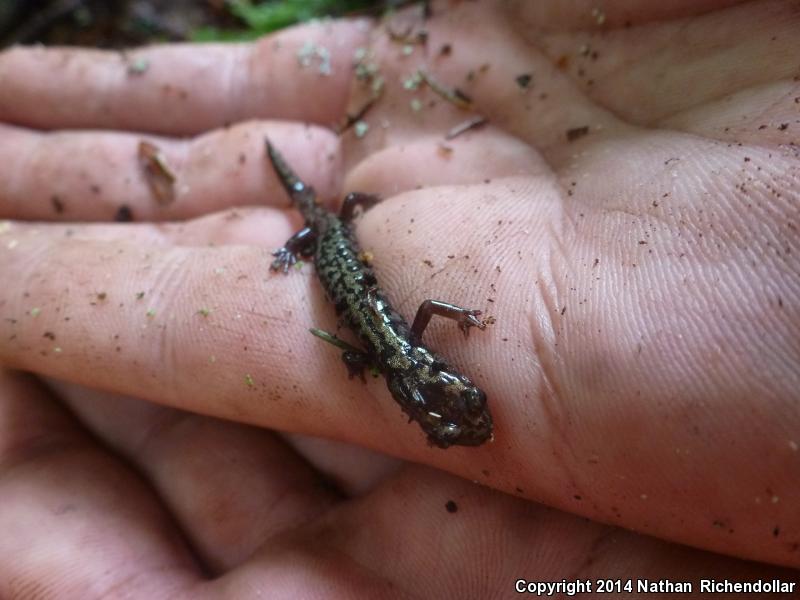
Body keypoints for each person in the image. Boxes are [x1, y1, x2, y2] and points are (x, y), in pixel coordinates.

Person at [0, 0, 797, 595]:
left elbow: (380, 338)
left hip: (342, 248)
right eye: (451, 400)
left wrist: (441, 325)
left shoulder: (397, 353)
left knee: (332, 230)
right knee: (318, 225)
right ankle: (294, 224)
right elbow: (378, 334)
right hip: (330, 241)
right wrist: (304, 251)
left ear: (427, 386)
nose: (449, 399)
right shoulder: (395, 354)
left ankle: (303, 217)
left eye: (445, 404)